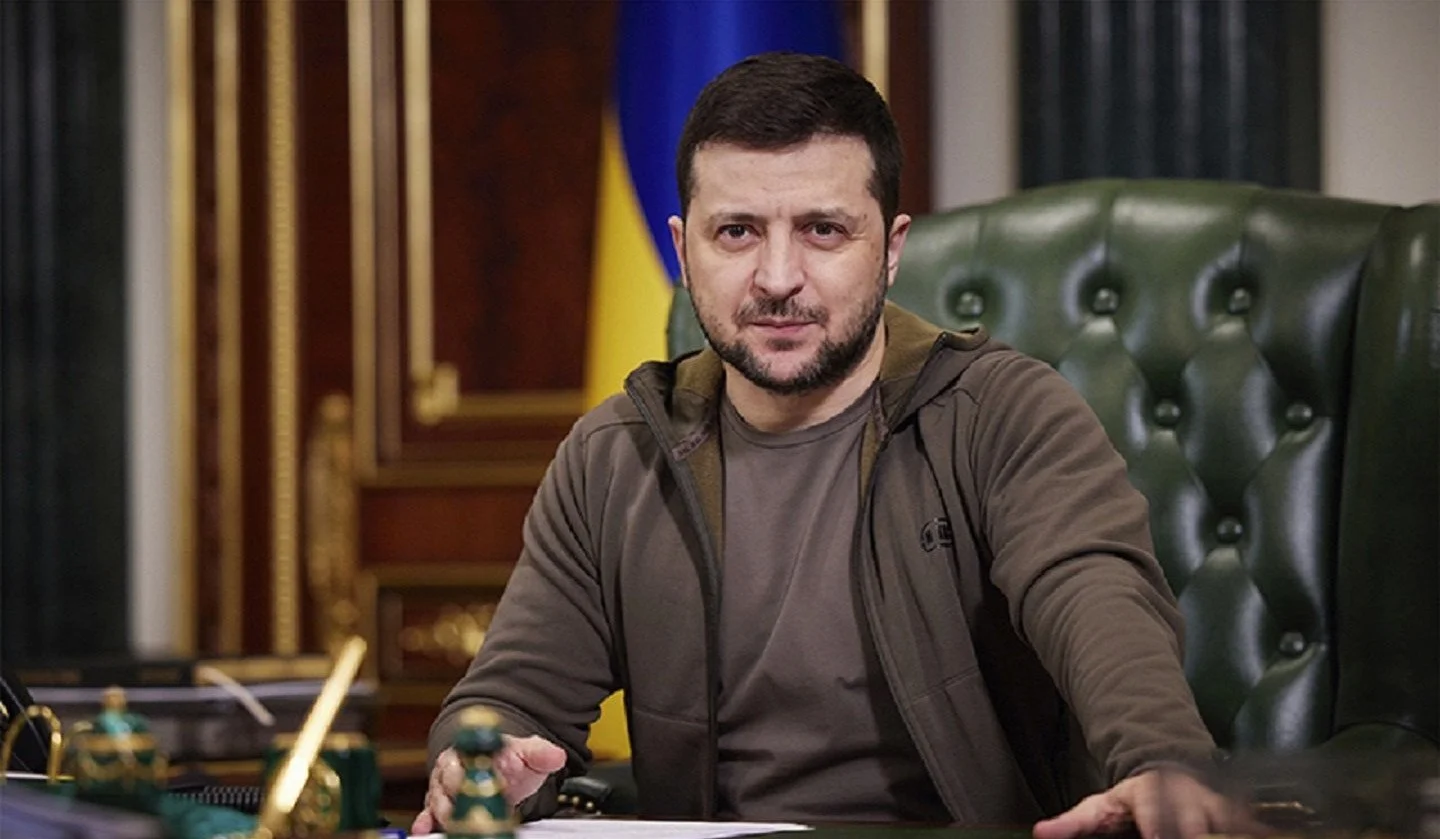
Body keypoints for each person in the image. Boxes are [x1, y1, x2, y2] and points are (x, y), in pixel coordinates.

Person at [413, 52, 1233, 838]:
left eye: (823, 230)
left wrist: (1158, 759)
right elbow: (511, 700)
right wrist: (485, 764)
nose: (778, 277)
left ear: (892, 249)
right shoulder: (615, 454)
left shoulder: (1002, 415)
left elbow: (1096, 598)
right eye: (737, 231)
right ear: (683, 250)